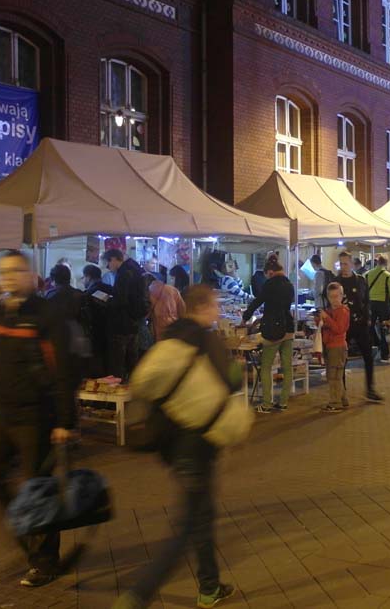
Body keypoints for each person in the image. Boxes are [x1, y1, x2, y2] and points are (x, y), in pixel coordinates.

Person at [113, 285, 238, 609]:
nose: (218, 311)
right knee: (187, 527)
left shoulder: (168, 340)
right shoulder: (208, 342)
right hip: (201, 443)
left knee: (202, 515)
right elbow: (231, 383)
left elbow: (143, 382)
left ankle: (210, 586)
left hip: (173, 444)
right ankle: (138, 595)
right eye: (215, 305)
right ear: (203, 307)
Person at [0, 251, 78, 589]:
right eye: (3, 271)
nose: (8, 276)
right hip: (5, 414)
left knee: (38, 488)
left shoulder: (48, 315)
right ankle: (28, 539)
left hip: (38, 415)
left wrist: (65, 421)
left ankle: (45, 561)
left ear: (32, 275)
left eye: (16, 270)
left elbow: (64, 370)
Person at [243, 256, 295, 413]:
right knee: (287, 367)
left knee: (266, 367)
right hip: (288, 328)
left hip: (273, 330)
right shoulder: (289, 285)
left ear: (270, 272)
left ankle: (267, 403)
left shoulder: (270, 284)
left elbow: (257, 302)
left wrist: (245, 317)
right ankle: (283, 402)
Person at [336, 251, 383, 403]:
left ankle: (370, 389)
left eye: (345, 263)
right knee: (342, 359)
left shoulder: (361, 280)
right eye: (341, 264)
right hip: (344, 325)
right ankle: (341, 392)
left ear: (351, 263)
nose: (343, 267)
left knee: (368, 356)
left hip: (361, 324)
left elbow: (367, 300)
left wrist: (368, 318)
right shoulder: (336, 282)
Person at [98, 249, 150, 380]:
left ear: (114, 259)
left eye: (108, 263)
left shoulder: (124, 273)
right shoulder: (135, 269)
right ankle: (133, 387)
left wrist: (105, 301)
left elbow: (120, 299)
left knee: (117, 363)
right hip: (134, 323)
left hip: (121, 324)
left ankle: (117, 391)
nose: (108, 267)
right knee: (132, 361)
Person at [319, 282, 351, 412]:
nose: (334, 299)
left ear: (342, 296)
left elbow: (339, 329)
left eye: (336, 296)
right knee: (335, 375)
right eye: (331, 297)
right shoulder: (330, 310)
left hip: (337, 347)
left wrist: (327, 318)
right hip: (331, 346)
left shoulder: (343, 311)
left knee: (334, 377)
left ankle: (335, 403)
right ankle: (342, 399)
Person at [364, 255, 390, 364]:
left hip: (370, 304)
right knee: (384, 330)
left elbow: (363, 290)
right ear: (386, 263)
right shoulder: (388, 276)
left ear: (377, 262)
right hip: (383, 304)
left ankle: (368, 353)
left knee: (369, 329)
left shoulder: (367, 274)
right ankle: (384, 354)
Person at [148, 275, 186, 342]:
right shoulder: (173, 289)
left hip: (158, 327)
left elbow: (147, 313)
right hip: (174, 324)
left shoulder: (149, 291)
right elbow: (182, 309)